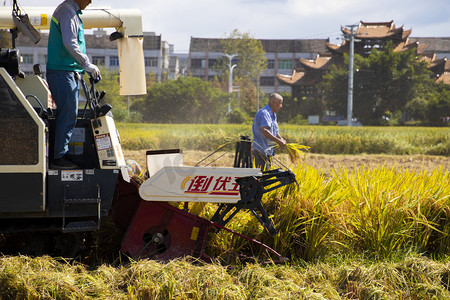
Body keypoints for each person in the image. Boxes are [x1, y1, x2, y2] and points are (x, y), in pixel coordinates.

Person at [46, 0, 100, 169]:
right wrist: (87, 65)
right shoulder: (67, 11)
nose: (91, 1)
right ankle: (59, 157)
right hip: (62, 71)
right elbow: (70, 42)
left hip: (66, 71)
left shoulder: (71, 11)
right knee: (68, 114)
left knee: (68, 114)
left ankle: (62, 153)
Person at [252, 93, 286, 170]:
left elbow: (275, 131)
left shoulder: (273, 114)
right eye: (279, 103)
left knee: (267, 173)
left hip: (268, 151)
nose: (281, 106)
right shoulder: (264, 113)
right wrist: (278, 141)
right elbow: (264, 131)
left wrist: (281, 139)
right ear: (272, 103)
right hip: (261, 150)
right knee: (263, 175)